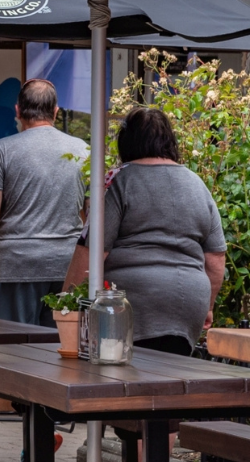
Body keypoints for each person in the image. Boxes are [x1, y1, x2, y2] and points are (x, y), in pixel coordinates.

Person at [61, 108, 225, 355]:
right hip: (189, 304)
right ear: (169, 141)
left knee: (123, 374)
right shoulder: (197, 184)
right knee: (172, 372)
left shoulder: (118, 180)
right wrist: (208, 306)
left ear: (126, 142)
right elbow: (216, 258)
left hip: (131, 304)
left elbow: (93, 250)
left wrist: (67, 302)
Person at [0, 78, 86, 325]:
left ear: (18, 111)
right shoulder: (83, 151)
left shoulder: (1, 150)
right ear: (56, 112)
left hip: (17, 266)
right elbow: (94, 217)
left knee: (11, 344)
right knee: (61, 344)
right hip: (67, 267)